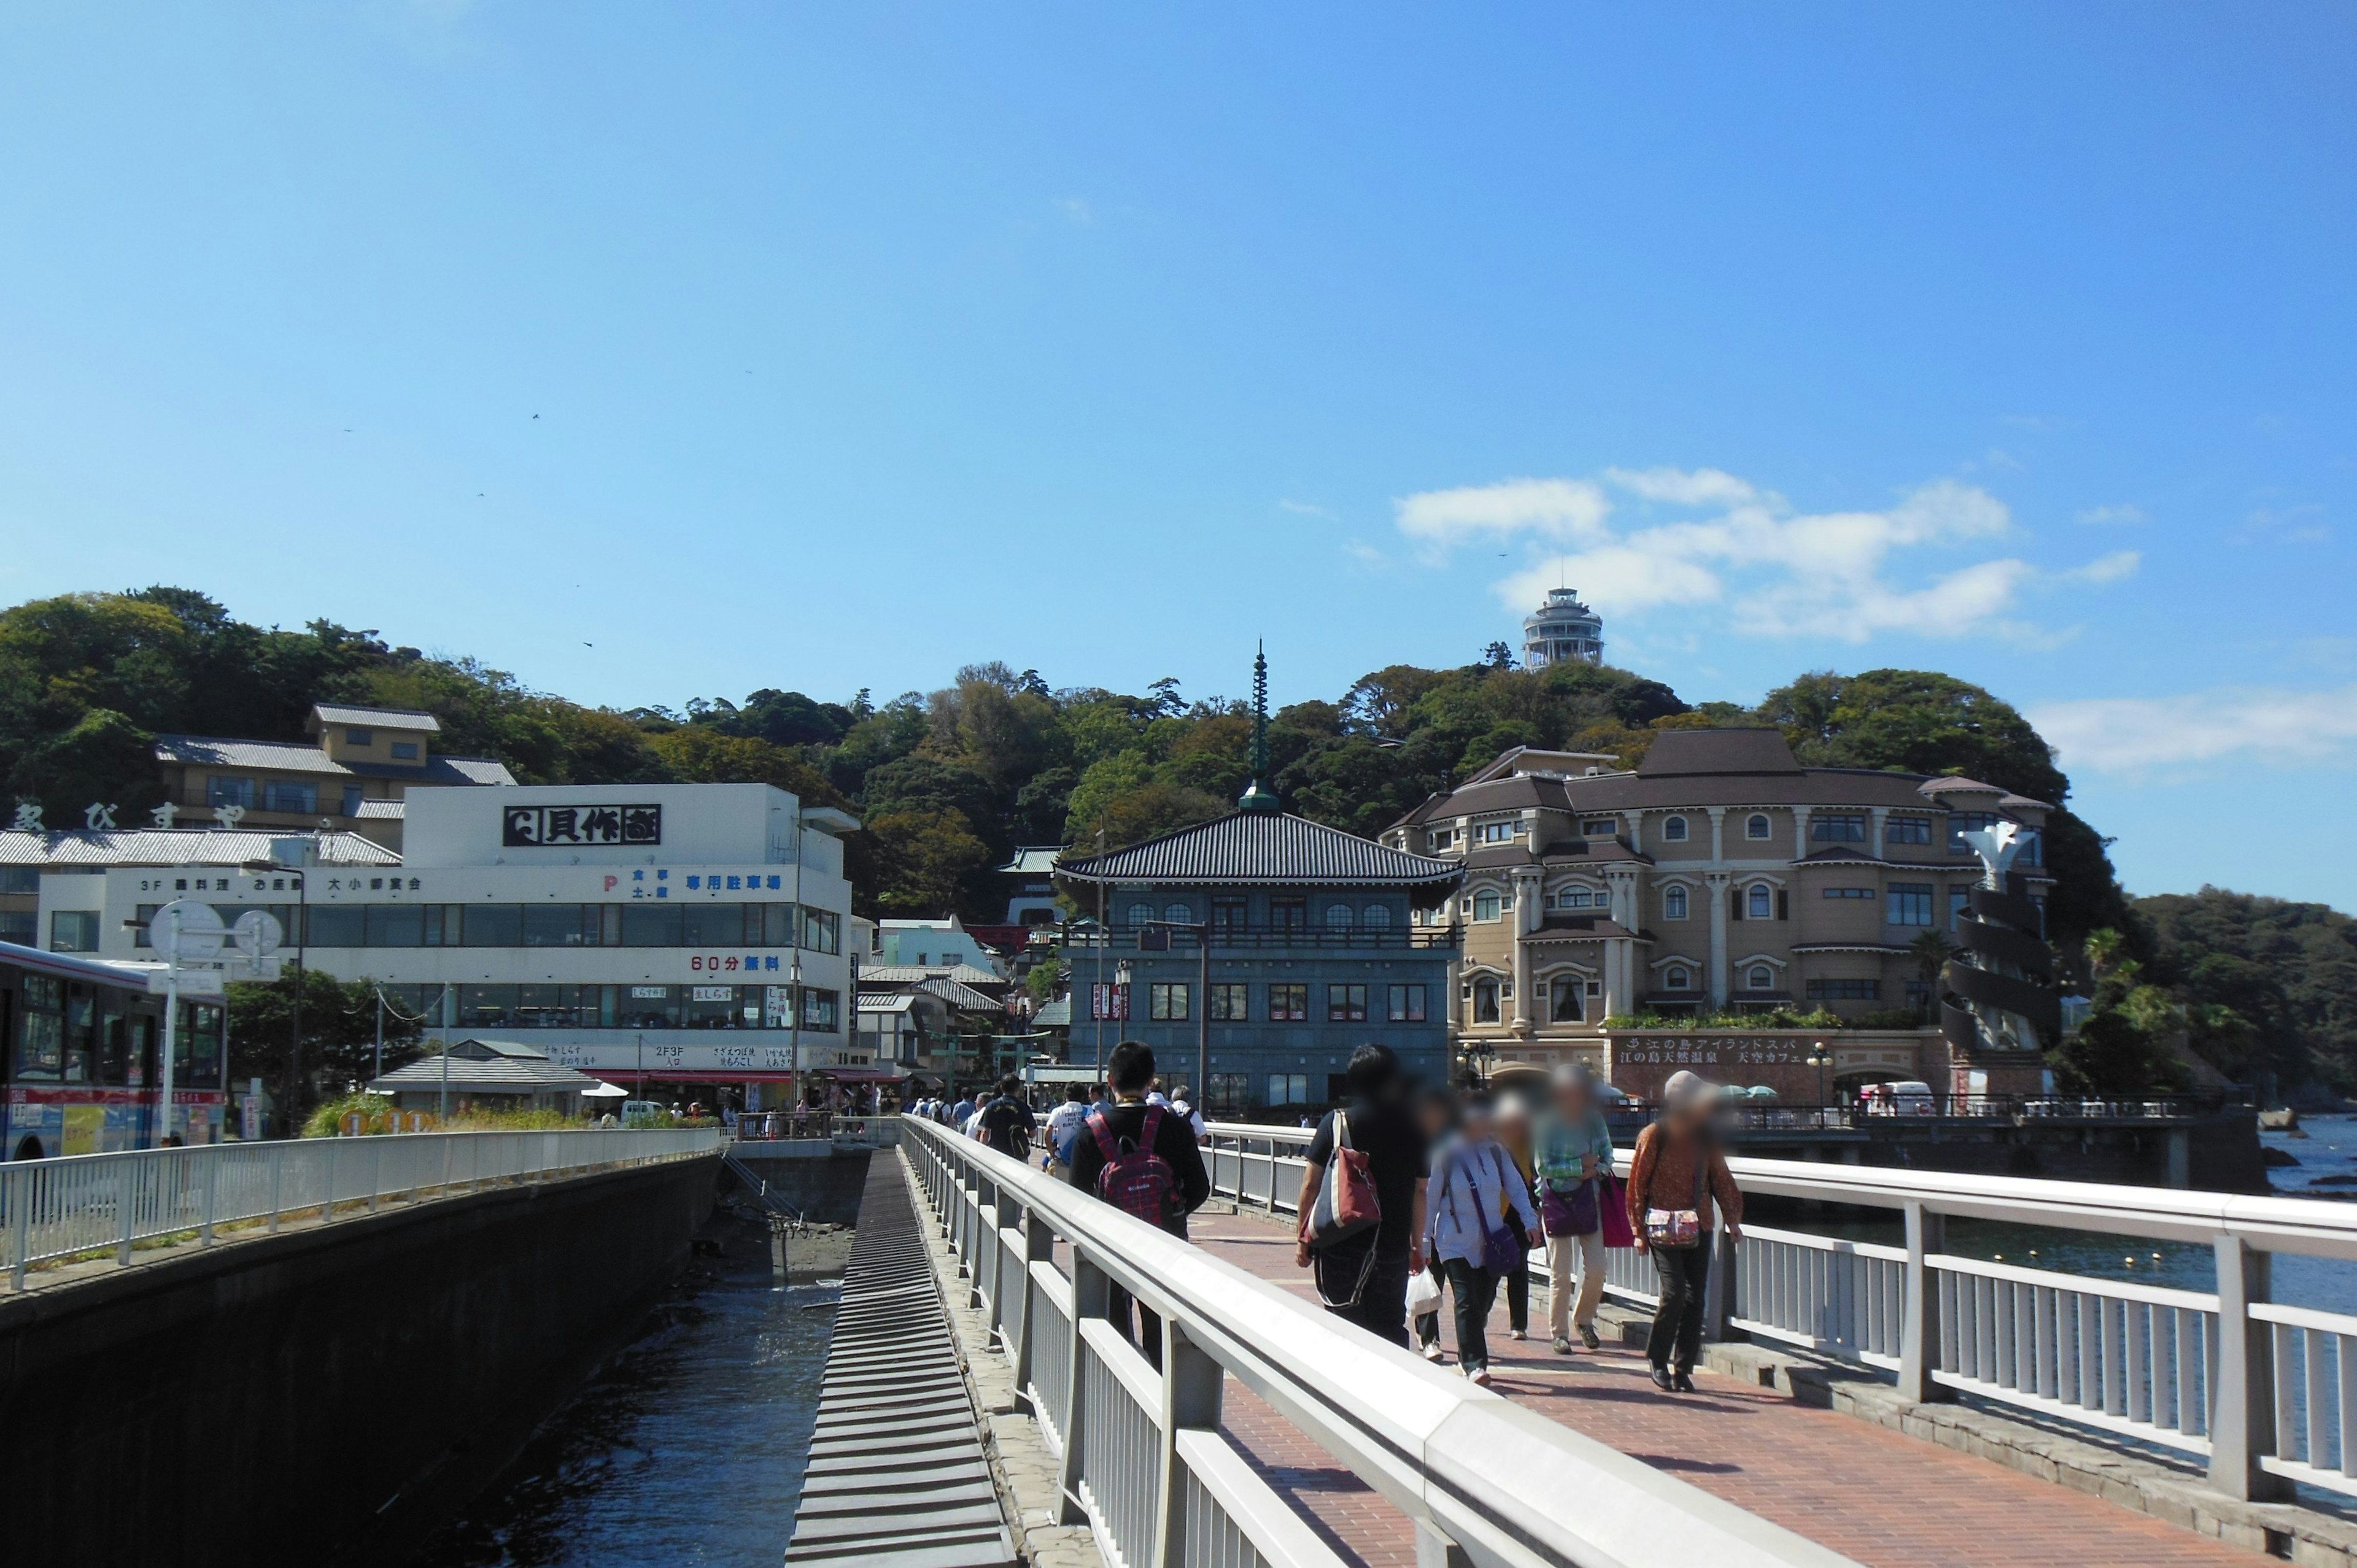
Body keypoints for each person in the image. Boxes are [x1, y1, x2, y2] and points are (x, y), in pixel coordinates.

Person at [1067, 1041, 1211, 1365]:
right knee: (1163, 1332)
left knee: (1114, 1331)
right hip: (1165, 1246)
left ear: (1110, 1080)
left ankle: (1123, 1396)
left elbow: (1075, 1199)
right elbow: (1201, 1188)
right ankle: (1163, 1398)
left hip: (1110, 1247)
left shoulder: (1090, 1134)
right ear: (1151, 1080)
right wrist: (1171, 1212)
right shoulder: (1174, 1126)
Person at [1292, 1045, 1430, 1347]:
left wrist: (1304, 1237)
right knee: (1389, 1328)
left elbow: (1310, 1185)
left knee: (1342, 1328)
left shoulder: (1337, 1122)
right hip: (1392, 1244)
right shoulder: (1413, 1127)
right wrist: (1416, 1244)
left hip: (1341, 1242)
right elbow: (1421, 1190)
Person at [1627, 1070, 1743, 1392]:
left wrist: (1732, 1218)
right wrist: (1637, 1228)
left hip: (1701, 1223)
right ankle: (1658, 1358)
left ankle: (1684, 1367)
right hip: (1663, 1227)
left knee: (1695, 1299)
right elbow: (1638, 1184)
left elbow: (1719, 1177)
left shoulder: (1705, 1136)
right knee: (1675, 1292)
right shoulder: (1654, 1135)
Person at [1424, 1095, 1538, 1386]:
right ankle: (1474, 1364)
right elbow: (1430, 1201)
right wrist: (1424, 1241)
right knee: (1466, 1300)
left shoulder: (1497, 1153)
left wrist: (1530, 1221)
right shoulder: (1445, 1154)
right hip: (1453, 1240)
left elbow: (1516, 1187)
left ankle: (1470, 1345)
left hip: (1491, 1239)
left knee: (1482, 1300)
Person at [1536, 1064, 1616, 1355]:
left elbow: (1607, 1157)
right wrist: (1581, 1167)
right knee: (1560, 1272)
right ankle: (1559, 1334)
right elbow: (1543, 1167)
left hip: (1589, 1201)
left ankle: (1584, 1319)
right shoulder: (1546, 1122)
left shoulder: (1593, 1120)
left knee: (1597, 1268)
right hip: (1556, 1202)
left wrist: (1595, 1171)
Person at [1408, 1087, 1455, 1361]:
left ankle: (1471, 1333)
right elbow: (1418, 1190)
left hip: (1456, 1227)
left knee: (1470, 1291)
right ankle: (1429, 1339)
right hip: (1425, 1225)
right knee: (1430, 1280)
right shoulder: (1414, 1142)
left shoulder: (1457, 1140)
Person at [1492, 1098, 1537, 1342]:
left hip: (1519, 1212)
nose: (1516, 1128)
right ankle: (1482, 1311)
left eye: (1520, 1123)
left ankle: (1519, 1324)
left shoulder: (1530, 1144)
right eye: (1510, 1123)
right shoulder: (1488, 1143)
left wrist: (1535, 1212)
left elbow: (1536, 1177)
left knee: (1519, 1265)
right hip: (1493, 1212)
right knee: (1491, 1267)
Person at [976, 1074, 1038, 1161]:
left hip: (996, 1154)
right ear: (1017, 1089)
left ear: (1001, 1088)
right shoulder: (1023, 1107)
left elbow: (985, 1132)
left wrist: (982, 1152)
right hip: (1017, 1154)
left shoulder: (991, 1106)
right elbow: (1033, 1133)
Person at [1042, 1082, 1091, 1180]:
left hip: (1063, 1158)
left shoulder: (1058, 1111)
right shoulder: (1089, 1110)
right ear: (1082, 1096)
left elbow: (1048, 1130)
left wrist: (1051, 1151)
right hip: (1083, 1161)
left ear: (1066, 1096)